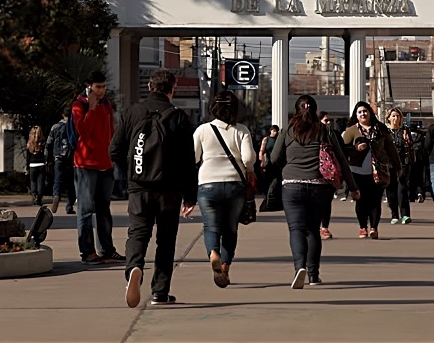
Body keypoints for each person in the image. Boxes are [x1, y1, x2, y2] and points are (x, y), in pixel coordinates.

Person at [110, 69, 197, 307]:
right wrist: (190, 196)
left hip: (138, 187)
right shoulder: (178, 117)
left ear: (149, 86)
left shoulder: (132, 112)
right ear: (172, 89)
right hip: (170, 189)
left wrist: (131, 170)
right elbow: (188, 161)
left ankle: (134, 268)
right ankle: (160, 292)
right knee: (166, 240)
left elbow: (114, 150)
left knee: (138, 233)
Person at [270, 95, 360, 288]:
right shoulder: (324, 130)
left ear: (296, 110)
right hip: (319, 187)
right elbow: (342, 160)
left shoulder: (288, 131)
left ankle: (299, 268)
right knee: (312, 230)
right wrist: (353, 188)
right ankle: (313, 275)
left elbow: (274, 158)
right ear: (315, 110)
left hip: (292, 186)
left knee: (296, 229)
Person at [189, 91, 256, 288]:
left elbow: (193, 156)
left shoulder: (202, 130)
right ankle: (225, 267)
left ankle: (213, 253)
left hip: (208, 184)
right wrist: (249, 170)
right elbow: (248, 158)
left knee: (211, 227)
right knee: (230, 229)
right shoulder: (241, 130)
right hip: (234, 185)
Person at [72, 70, 123, 265]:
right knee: (85, 210)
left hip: (105, 164)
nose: (101, 91)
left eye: (103, 87)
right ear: (89, 87)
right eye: (98, 87)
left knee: (104, 209)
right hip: (86, 165)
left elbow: (111, 130)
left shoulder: (107, 104)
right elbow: (83, 132)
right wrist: (91, 109)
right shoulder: (79, 106)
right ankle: (87, 252)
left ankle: (107, 250)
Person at [342, 101, 401, 240]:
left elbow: (390, 148)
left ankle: (374, 227)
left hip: (377, 171)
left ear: (370, 113)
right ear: (356, 115)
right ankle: (363, 227)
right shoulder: (351, 130)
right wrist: (356, 148)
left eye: (365, 111)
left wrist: (398, 167)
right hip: (357, 172)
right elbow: (343, 150)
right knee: (361, 200)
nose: (363, 114)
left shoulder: (380, 128)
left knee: (375, 201)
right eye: (360, 112)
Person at [45, 107, 76, 214]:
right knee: (71, 182)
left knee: (58, 180)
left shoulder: (55, 127)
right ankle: (69, 206)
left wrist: (48, 158)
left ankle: (56, 195)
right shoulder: (73, 126)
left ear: (62, 115)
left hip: (58, 157)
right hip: (70, 158)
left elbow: (49, 143)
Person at [384, 107, 413, 225]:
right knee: (391, 190)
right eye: (393, 116)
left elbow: (410, 146)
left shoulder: (405, 131)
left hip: (403, 163)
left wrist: (408, 141)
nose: (396, 118)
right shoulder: (385, 132)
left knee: (402, 189)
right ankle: (394, 214)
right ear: (389, 118)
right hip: (389, 164)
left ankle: (405, 215)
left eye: (398, 116)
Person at [318, 111, 335, 240]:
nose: (328, 123)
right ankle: (316, 227)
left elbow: (341, 154)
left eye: (329, 121)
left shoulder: (332, 135)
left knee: (327, 202)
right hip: (314, 174)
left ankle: (324, 227)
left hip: (329, 175)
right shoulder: (310, 135)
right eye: (325, 120)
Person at [26, 126, 46, 206]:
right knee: (40, 181)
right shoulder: (43, 143)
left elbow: (28, 157)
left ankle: (34, 195)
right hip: (41, 164)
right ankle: (39, 197)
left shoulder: (29, 144)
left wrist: (27, 166)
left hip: (32, 164)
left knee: (33, 181)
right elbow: (46, 154)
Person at [408, 125, 427, 203]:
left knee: (410, 178)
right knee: (419, 178)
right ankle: (420, 192)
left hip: (409, 160)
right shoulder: (421, 137)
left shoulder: (406, 136)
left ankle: (411, 196)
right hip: (419, 160)